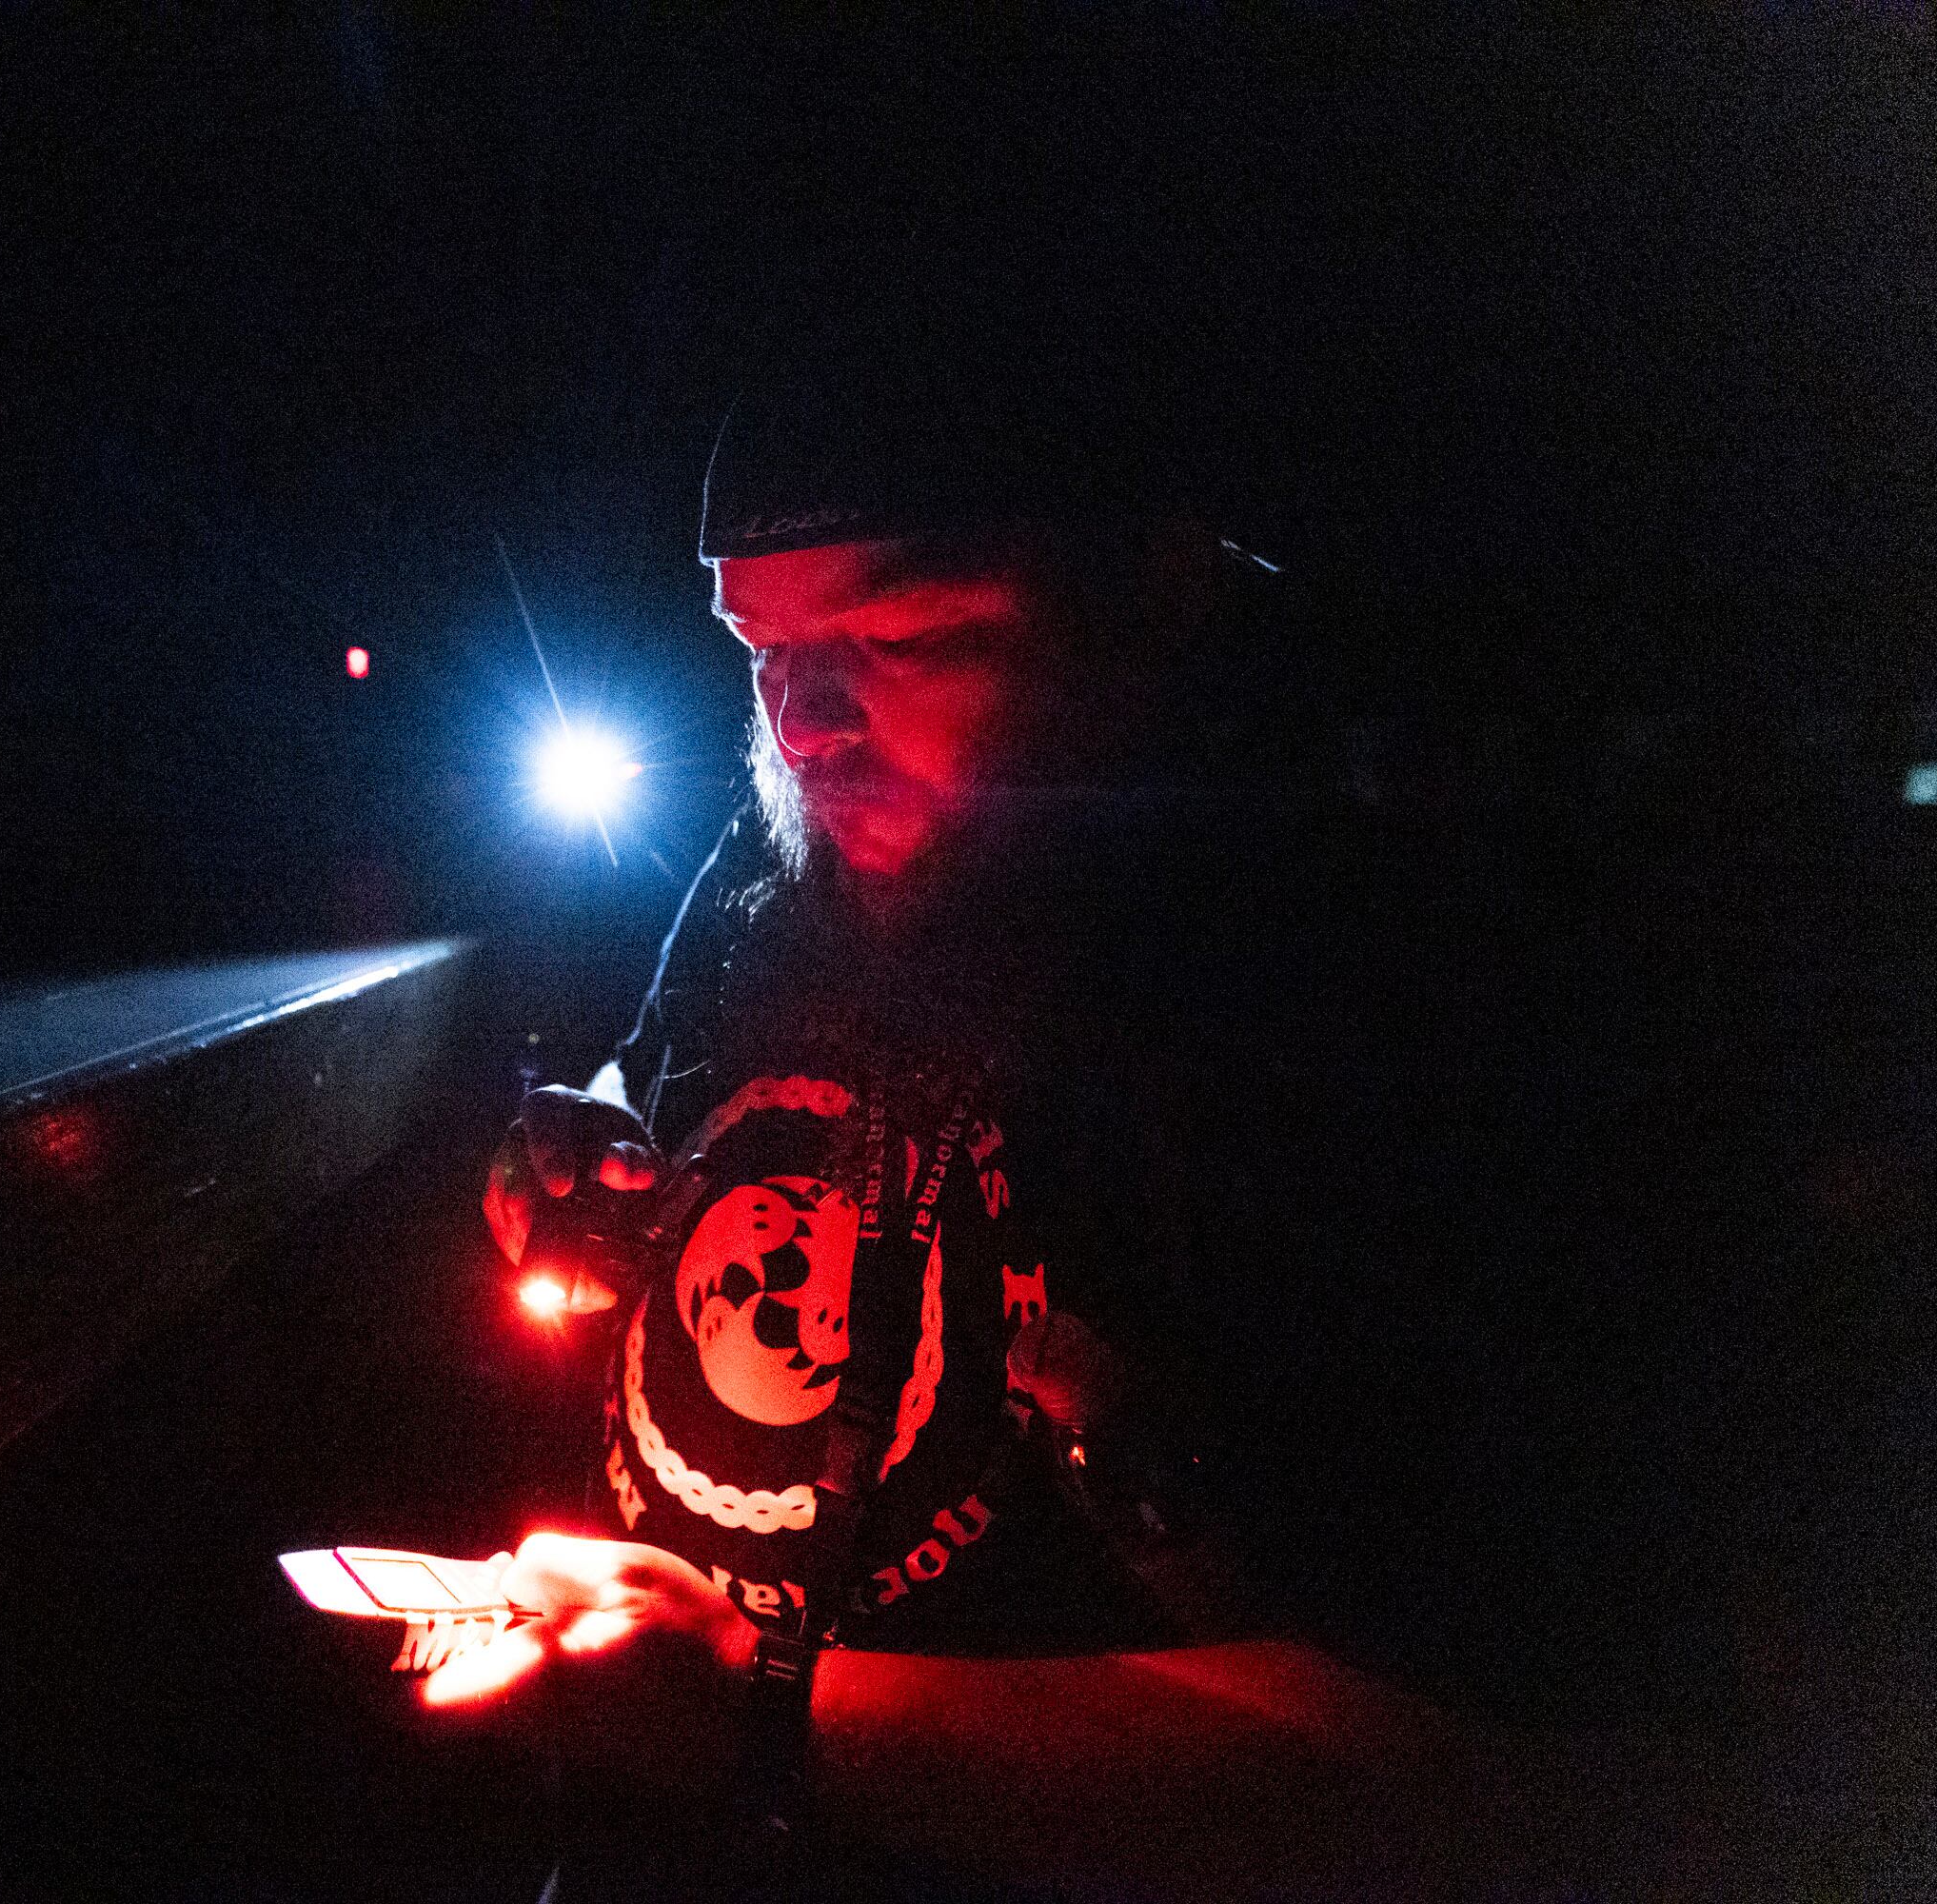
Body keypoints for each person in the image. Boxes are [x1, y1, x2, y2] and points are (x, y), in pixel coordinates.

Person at [452, 325, 1302, 1892]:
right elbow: (669, 1079)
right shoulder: (782, 857)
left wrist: (766, 1710)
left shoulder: (1335, 996)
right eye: (758, 650)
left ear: (1156, 600)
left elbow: (1501, 1808)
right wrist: (590, 1126)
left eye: (897, 633)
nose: (803, 726)